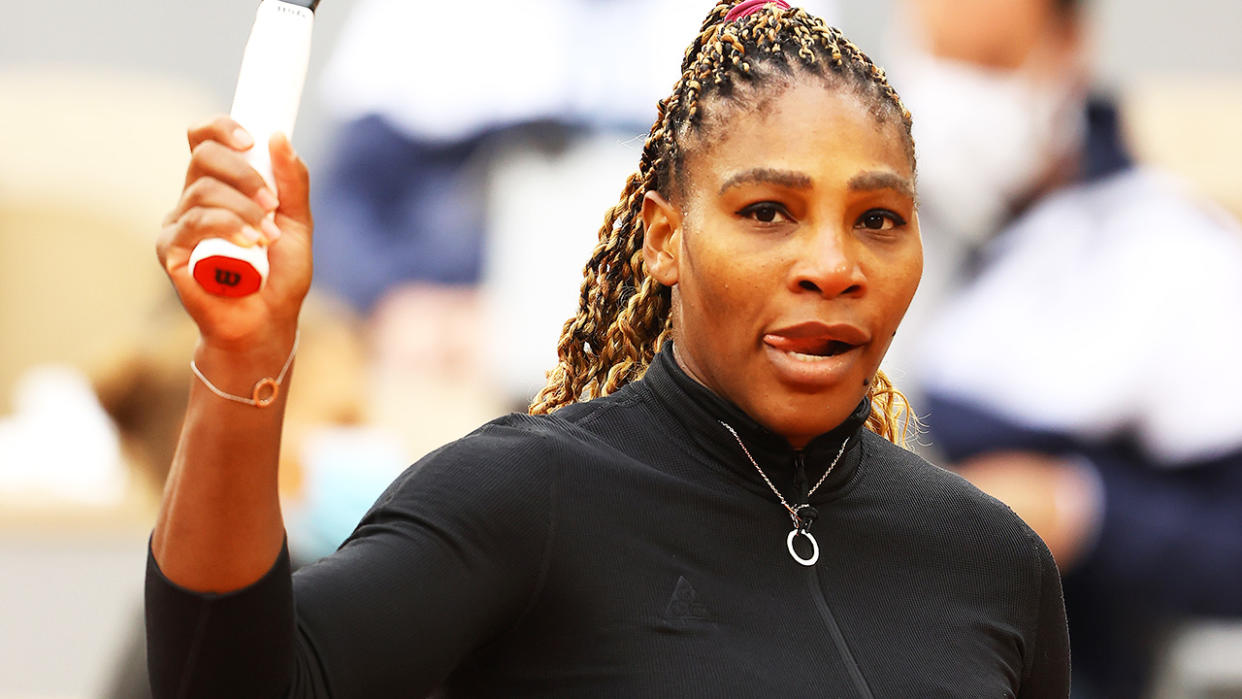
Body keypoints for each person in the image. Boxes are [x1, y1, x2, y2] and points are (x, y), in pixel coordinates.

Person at [146, 2, 1070, 696]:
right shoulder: (525, 497)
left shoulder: (995, 562)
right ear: (664, 238)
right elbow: (225, 685)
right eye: (766, 212)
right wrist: (238, 362)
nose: (831, 265)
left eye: (876, 219)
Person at [887, 0, 1242, 696]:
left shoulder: (1171, 258)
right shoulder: (887, 227)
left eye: (986, 66)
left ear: (1069, 46)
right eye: (933, 62)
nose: (953, 99)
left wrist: (1077, 506)